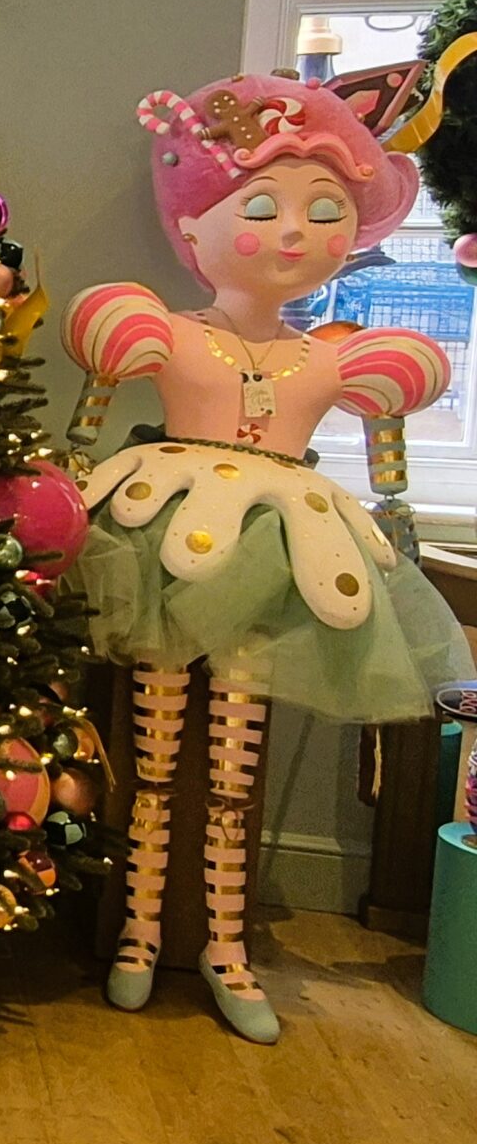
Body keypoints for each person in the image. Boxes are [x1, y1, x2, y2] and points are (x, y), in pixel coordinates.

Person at [63, 67, 470, 1043]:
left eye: (324, 212)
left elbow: (389, 471)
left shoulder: (330, 354)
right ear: (191, 227)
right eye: (261, 208)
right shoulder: (165, 333)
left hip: (286, 547)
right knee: (154, 757)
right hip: (164, 538)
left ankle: (227, 948)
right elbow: (87, 423)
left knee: (237, 765)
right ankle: (138, 933)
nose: (295, 233)